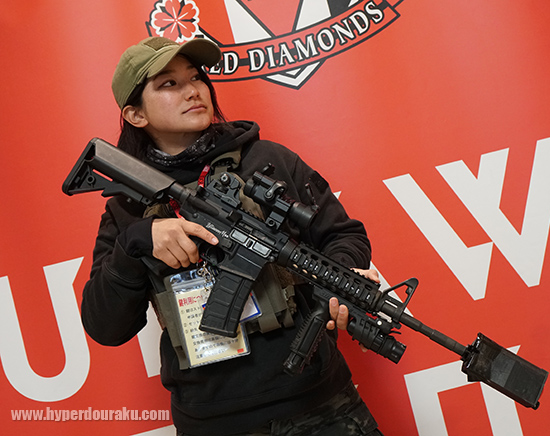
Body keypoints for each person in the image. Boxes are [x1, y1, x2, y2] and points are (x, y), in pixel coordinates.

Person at [80, 36, 384, 436]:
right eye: (169, 84)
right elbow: (104, 326)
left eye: (196, 77)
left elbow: (344, 235)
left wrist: (340, 281)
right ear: (135, 115)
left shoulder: (267, 160)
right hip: (213, 422)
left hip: (321, 404)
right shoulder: (128, 207)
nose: (193, 90)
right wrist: (135, 242)